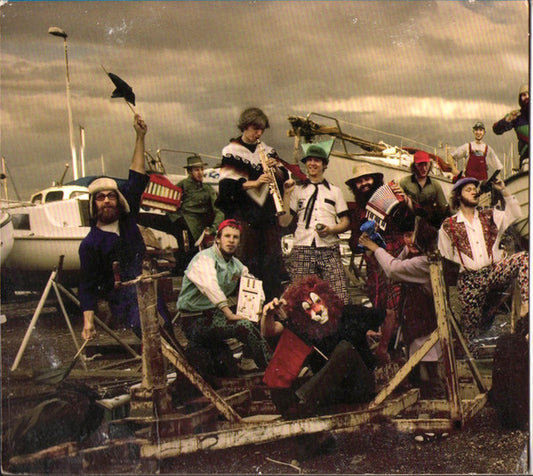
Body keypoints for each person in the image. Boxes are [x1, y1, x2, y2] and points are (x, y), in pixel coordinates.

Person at [79, 114, 173, 340]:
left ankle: (176, 362)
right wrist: (88, 323)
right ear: (93, 205)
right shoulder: (90, 244)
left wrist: (140, 136)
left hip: (147, 286)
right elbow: (87, 286)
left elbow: (137, 176)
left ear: (118, 200)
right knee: (148, 334)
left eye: (111, 196)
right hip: (123, 299)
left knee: (167, 329)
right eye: (100, 197)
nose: (107, 201)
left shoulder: (127, 219)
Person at [260, 275, 384, 419]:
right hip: (334, 390)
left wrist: (383, 348)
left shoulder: (349, 312)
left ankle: (303, 405)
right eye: (308, 308)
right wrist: (267, 315)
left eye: (318, 301)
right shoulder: (305, 326)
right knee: (283, 391)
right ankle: (294, 406)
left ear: (327, 298)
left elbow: (388, 315)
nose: (317, 310)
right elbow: (269, 331)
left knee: (345, 349)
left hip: (360, 385)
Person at [438, 177, 528, 352]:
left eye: (474, 188)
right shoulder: (448, 226)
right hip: (469, 280)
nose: (474, 191)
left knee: (524, 258)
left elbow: (517, 214)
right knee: (470, 335)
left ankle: (527, 304)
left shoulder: (490, 215)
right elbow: (446, 259)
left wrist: (503, 190)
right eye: (468, 189)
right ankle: (471, 353)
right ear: (458, 196)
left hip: (492, 271)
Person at [359, 214, 445, 399]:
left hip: (428, 325)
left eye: (414, 234)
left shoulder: (425, 261)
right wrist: (375, 245)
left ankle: (438, 402)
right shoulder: (414, 253)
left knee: (429, 372)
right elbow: (391, 265)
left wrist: (375, 248)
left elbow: (393, 269)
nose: (410, 240)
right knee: (420, 371)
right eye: (406, 235)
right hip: (418, 324)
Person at [176, 219, 273, 376]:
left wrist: (258, 306)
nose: (231, 240)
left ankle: (248, 359)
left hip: (214, 316)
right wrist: (229, 313)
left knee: (253, 316)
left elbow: (253, 283)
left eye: (235, 237)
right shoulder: (204, 258)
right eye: (227, 236)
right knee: (244, 325)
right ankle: (274, 370)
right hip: (195, 320)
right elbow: (210, 286)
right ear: (217, 239)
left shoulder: (235, 264)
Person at [216, 107, 289, 301]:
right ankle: (248, 305)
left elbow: (284, 178)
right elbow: (227, 187)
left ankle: (272, 303)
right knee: (247, 262)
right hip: (245, 216)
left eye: (261, 130)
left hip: (267, 216)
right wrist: (254, 183)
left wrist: (276, 169)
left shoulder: (268, 150)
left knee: (271, 261)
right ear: (245, 126)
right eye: (255, 129)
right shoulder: (231, 151)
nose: (259, 134)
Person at [345, 163, 407, 362]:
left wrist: (405, 200)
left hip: (395, 258)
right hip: (374, 268)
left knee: (397, 306)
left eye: (367, 179)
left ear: (376, 180)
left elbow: (407, 221)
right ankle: (389, 353)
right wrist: (362, 241)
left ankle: (394, 349)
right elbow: (353, 243)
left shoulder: (394, 198)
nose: (364, 183)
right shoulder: (357, 211)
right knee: (380, 307)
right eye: (359, 181)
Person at [278, 143, 351, 304]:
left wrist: (331, 229)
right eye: (309, 160)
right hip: (302, 247)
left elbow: (345, 222)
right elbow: (284, 221)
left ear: (324, 165)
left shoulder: (335, 191)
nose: (312, 163)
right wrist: (287, 194)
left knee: (340, 295)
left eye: (317, 160)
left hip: (329, 248)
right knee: (300, 297)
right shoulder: (297, 190)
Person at [171, 154, 224, 273]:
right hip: (183, 222)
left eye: (201, 169)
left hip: (199, 226)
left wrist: (214, 228)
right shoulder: (183, 185)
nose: (200, 173)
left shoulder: (207, 189)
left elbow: (218, 210)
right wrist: (176, 218)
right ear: (190, 172)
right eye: (196, 170)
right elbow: (170, 201)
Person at [398, 150, 450, 228]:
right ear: (414, 166)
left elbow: (443, 209)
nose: (424, 168)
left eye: (426, 165)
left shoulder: (436, 185)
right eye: (420, 165)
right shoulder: (404, 182)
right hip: (408, 224)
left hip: (428, 225)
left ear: (430, 165)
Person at [493, 82, 529, 172]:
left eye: (529, 94)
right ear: (520, 98)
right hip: (527, 159)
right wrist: (508, 119)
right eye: (524, 95)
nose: (527, 97)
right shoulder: (516, 116)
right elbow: (496, 129)